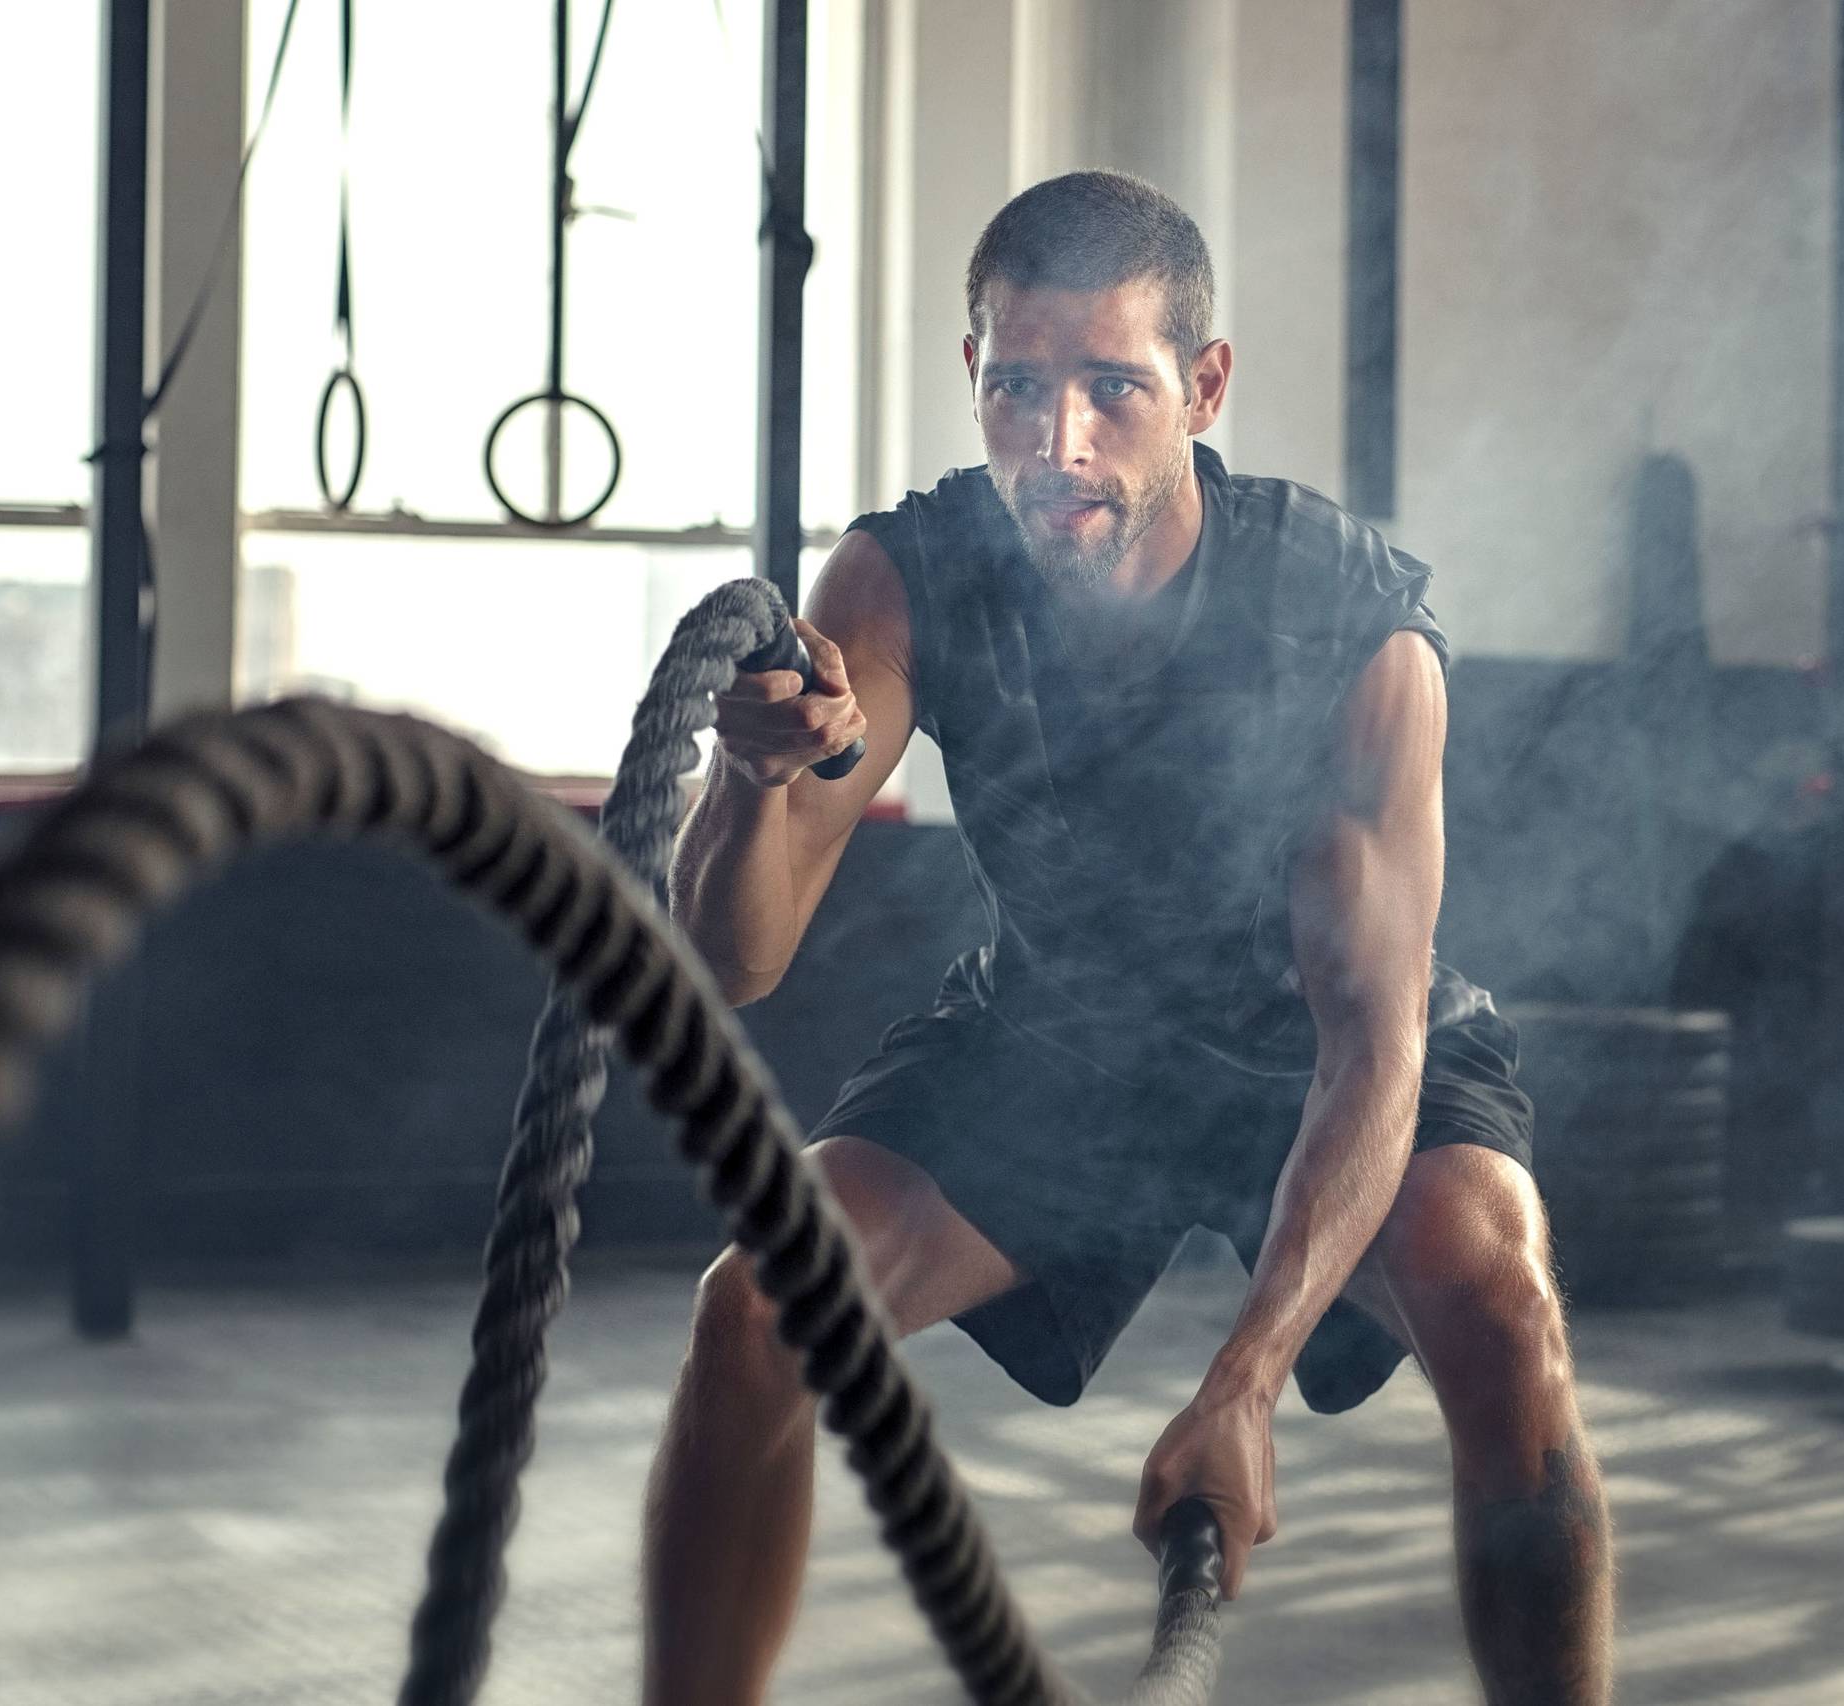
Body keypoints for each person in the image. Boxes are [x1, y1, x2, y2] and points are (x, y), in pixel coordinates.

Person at [651, 170, 1612, 1706]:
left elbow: (1373, 1041)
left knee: (1493, 1288)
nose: (1060, 447)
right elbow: (736, 959)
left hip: (1316, 1048)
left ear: (1203, 387)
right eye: (1020, 388)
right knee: (755, 1310)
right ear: (972, 373)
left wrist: (1244, 1383)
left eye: (1114, 390)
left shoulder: (1349, 627)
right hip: (1060, 1034)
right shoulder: (906, 579)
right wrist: (754, 786)